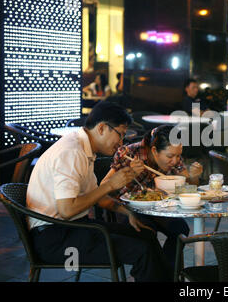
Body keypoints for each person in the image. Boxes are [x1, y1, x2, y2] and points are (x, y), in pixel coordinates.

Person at [26, 101, 172, 282]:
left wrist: (127, 213)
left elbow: (99, 199)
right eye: (120, 134)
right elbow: (67, 210)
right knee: (142, 250)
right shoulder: (71, 152)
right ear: (102, 128)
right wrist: (110, 185)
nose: (121, 143)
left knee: (147, 235)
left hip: (74, 227)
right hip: (55, 239)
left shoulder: (83, 148)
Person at [102, 125, 203, 267]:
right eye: (170, 156)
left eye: (178, 155)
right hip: (128, 209)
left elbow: (188, 186)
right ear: (155, 150)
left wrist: (194, 176)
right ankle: (155, 273)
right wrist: (129, 173)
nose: (175, 161)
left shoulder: (173, 156)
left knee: (181, 229)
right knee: (147, 234)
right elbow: (104, 187)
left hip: (157, 207)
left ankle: (169, 273)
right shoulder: (129, 153)